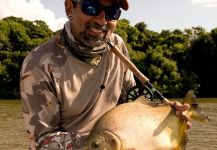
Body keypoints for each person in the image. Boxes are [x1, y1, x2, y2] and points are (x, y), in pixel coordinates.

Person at [20, 0, 191, 149]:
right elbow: (42, 142)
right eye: (92, 8)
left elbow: (130, 104)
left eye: (112, 12)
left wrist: (163, 115)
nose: (102, 20)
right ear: (69, 7)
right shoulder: (38, 64)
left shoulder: (117, 45)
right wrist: (99, 142)